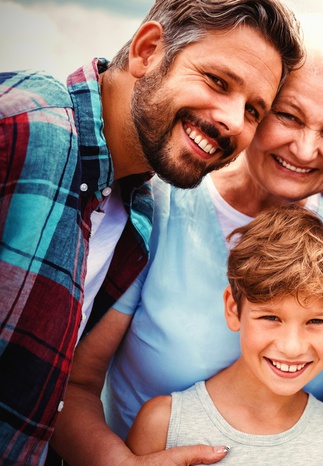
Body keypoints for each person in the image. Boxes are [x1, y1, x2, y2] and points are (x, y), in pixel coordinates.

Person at [49, 13, 323, 465]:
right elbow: (75, 385)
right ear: (255, 108)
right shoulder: (157, 209)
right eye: (287, 116)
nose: (306, 150)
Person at [0, 0, 303, 463]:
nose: (232, 122)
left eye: (254, 111)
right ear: (148, 50)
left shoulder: (137, 212)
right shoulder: (23, 126)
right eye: (218, 82)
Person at [125, 204, 323, 465]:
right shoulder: (163, 424)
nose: (292, 347)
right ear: (233, 309)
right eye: (271, 318)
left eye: (316, 321)